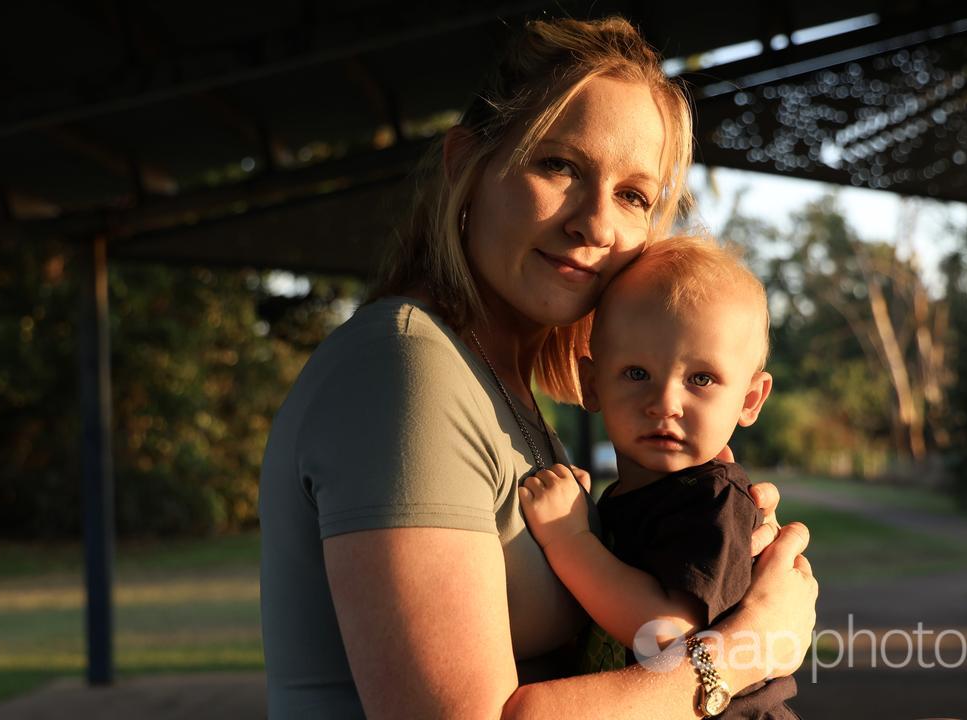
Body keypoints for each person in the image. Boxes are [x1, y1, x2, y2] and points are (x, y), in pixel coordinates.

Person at [258, 15, 818, 719]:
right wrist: (745, 650)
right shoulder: (405, 367)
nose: (597, 223)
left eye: (634, 195)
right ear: (466, 164)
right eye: (559, 165)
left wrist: (727, 557)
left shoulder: (501, 388)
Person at [519, 235, 801, 719]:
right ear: (592, 384)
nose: (665, 403)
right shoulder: (636, 496)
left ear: (751, 400)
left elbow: (665, 633)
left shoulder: (711, 501)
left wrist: (570, 541)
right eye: (635, 373)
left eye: (701, 379)